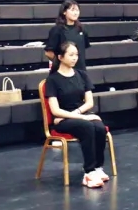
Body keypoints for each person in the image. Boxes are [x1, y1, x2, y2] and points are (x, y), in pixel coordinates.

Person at [43, 42, 109, 188]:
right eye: (71, 55)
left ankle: (98, 167)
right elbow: (55, 111)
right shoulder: (52, 80)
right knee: (87, 127)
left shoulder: (82, 75)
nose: (75, 58)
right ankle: (89, 172)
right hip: (63, 121)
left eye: (76, 55)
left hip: (75, 115)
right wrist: (83, 117)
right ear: (60, 57)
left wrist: (77, 114)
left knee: (99, 127)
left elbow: (89, 102)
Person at [44, 0, 90, 70]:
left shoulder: (81, 29)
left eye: (77, 10)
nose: (75, 13)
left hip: (81, 70)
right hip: (64, 70)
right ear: (64, 12)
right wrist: (62, 63)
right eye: (72, 10)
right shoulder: (57, 30)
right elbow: (48, 53)